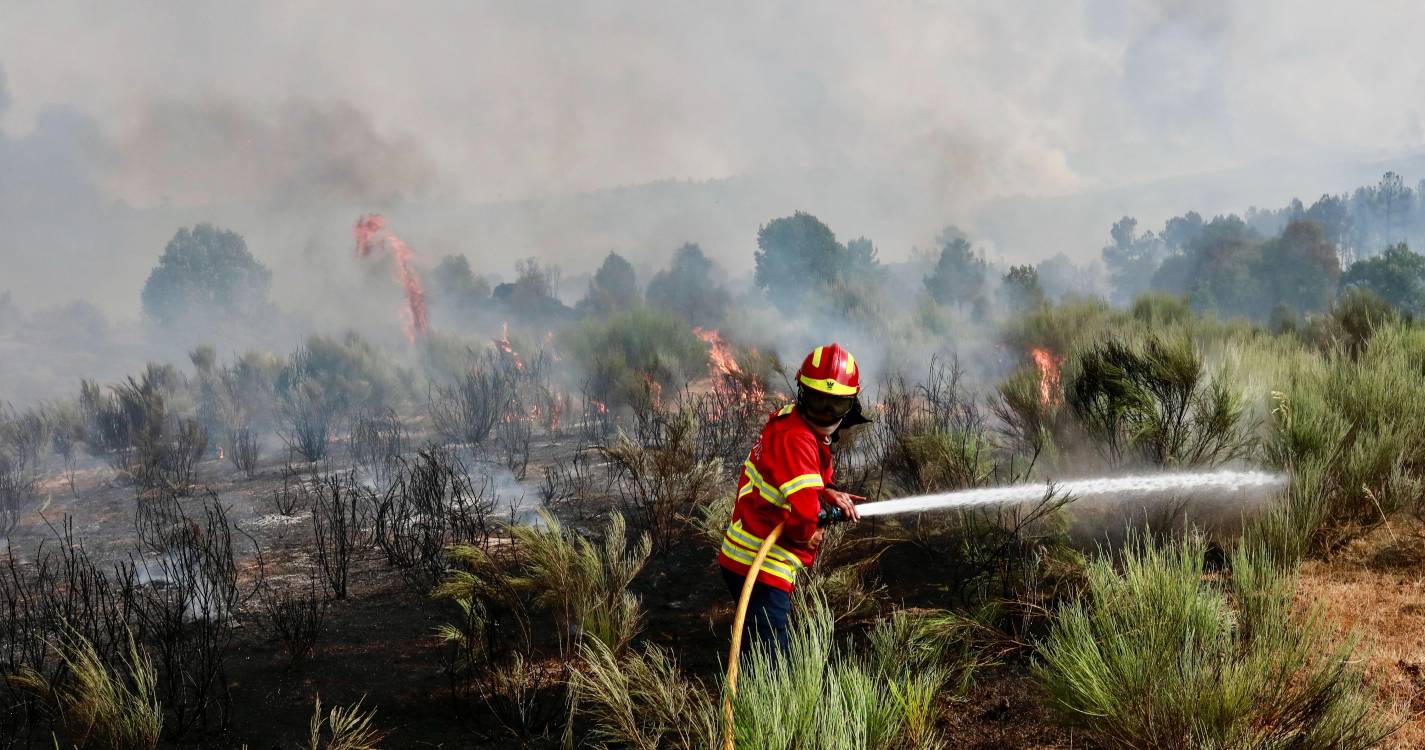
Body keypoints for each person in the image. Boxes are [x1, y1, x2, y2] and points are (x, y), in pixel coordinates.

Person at [716, 342, 867, 657]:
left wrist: (826, 490)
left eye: (835, 405)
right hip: (761, 564)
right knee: (771, 662)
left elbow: (796, 475)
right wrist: (809, 533)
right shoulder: (798, 439)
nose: (825, 413)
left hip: (745, 556)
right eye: (818, 401)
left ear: (850, 405)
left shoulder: (792, 422)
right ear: (802, 393)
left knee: (761, 648)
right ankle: (761, 691)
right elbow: (803, 515)